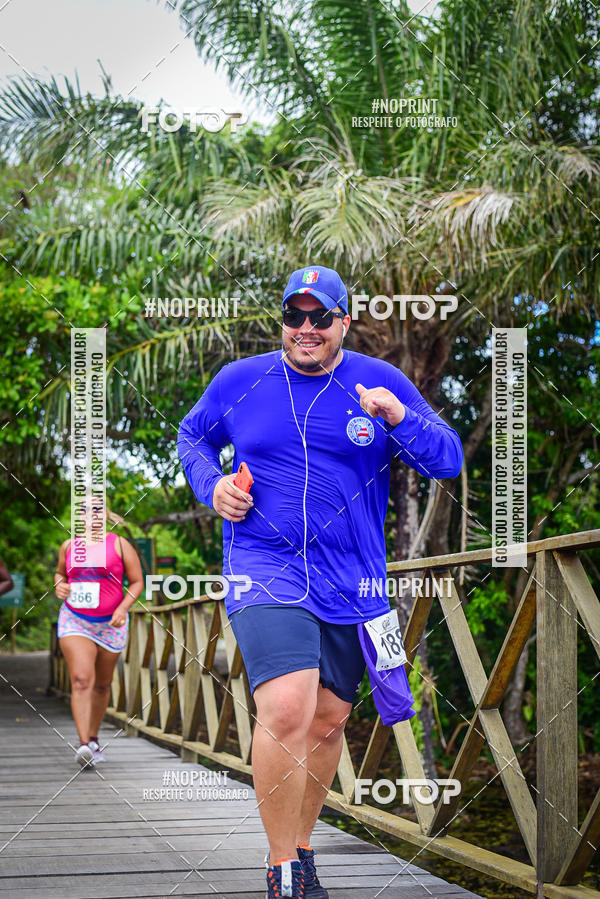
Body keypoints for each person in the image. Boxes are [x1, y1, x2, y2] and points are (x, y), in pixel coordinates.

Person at [177, 264, 463, 899]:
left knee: (330, 721)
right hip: (264, 569)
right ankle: (282, 871)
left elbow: (448, 457)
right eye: (293, 317)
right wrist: (212, 484)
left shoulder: (379, 382)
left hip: (353, 582)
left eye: (319, 317)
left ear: (344, 322)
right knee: (286, 707)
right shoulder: (240, 381)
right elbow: (191, 437)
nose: (305, 329)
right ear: (282, 321)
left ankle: (302, 850)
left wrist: (398, 418)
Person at [54, 511, 144, 768]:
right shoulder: (69, 546)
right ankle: (83, 746)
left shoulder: (119, 544)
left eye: (96, 509)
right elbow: (60, 574)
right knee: (82, 679)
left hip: (110, 624)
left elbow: (137, 582)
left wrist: (123, 608)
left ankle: (93, 738)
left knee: (102, 685)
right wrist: (59, 585)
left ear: (105, 515)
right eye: (83, 510)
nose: (89, 515)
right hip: (75, 621)